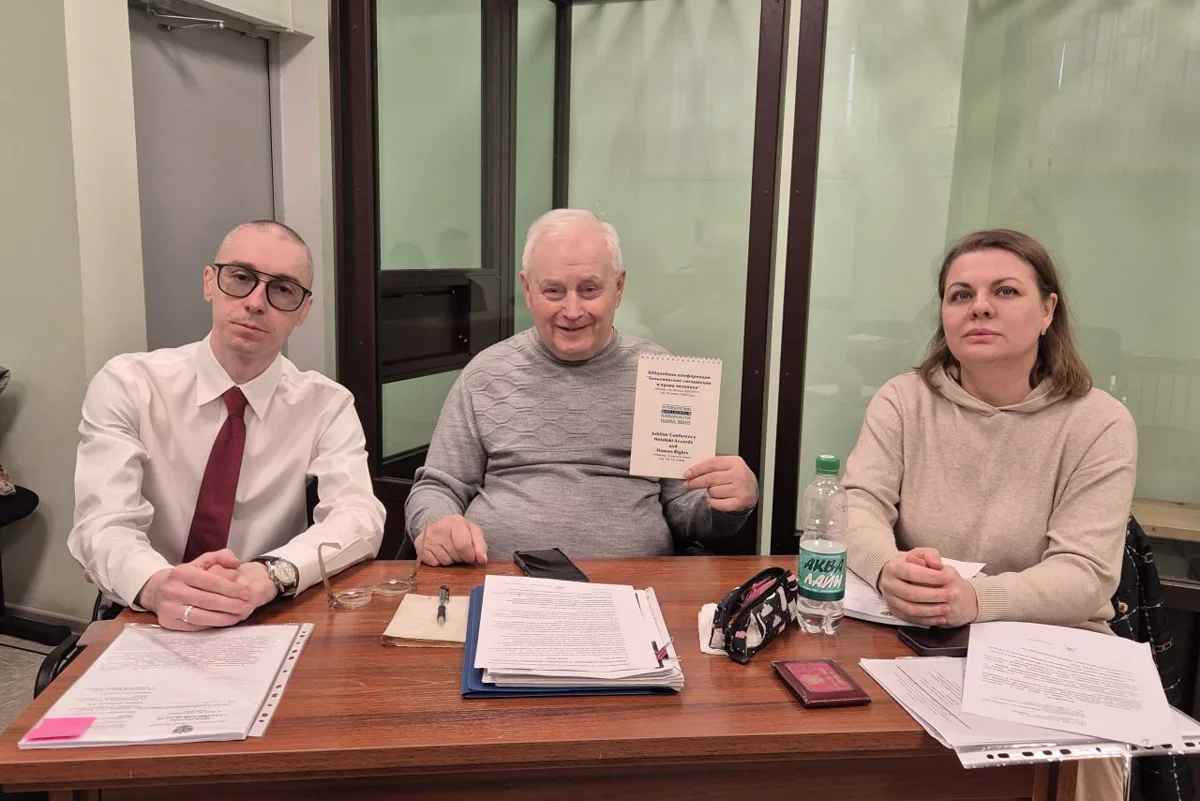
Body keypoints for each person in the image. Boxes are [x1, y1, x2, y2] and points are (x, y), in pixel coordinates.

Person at [842, 228, 1133, 800]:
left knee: (1076, 775)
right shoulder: (903, 399)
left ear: (1048, 311)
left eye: (1005, 291)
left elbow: (1086, 574)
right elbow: (858, 503)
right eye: (961, 295)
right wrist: (885, 566)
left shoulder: (1098, 422)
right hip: (917, 634)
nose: (979, 307)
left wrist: (977, 600)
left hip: (1053, 643)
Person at [68, 221, 385, 631]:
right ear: (209, 283)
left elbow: (358, 515)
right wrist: (157, 584)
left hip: (266, 610)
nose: (256, 302)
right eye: (241, 277)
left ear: (304, 310)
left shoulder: (326, 404)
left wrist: (273, 573)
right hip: (147, 610)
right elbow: (102, 523)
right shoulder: (129, 384)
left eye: (282, 289)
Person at [405, 209, 758, 565]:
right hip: (502, 579)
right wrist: (435, 524)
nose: (572, 311)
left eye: (589, 289)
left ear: (617, 288)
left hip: (633, 584)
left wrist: (729, 502)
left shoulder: (664, 375)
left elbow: (685, 508)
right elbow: (437, 487)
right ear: (528, 290)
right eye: (553, 291)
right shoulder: (485, 374)